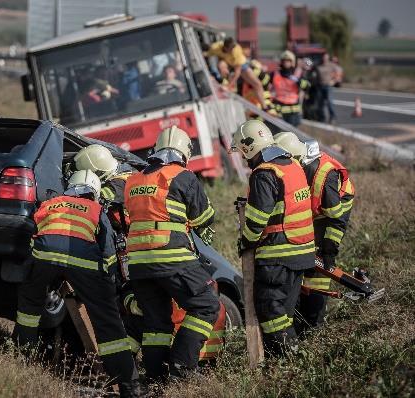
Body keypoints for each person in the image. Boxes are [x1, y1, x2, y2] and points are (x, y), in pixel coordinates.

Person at [13, 170, 139, 397]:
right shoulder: (96, 209)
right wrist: (108, 286)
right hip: (84, 265)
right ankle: (129, 387)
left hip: (44, 259)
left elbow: (33, 232)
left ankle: (23, 357)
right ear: (94, 192)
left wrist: (33, 268)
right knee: (108, 323)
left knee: (29, 307)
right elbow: (108, 251)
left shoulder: (51, 203)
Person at [123, 126, 219, 381]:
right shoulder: (182, 176)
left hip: (138, 263)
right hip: (171, 255)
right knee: (206, 305)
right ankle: (182, 367)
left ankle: (156, 378)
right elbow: (204, 217)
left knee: (156, 323)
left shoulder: (134, 179)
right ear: (184, 152)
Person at [230, 120, 315, 356]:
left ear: (248, 148)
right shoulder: (292, 166)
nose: (244, 160)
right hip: (302, 253)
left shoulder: (264, 174)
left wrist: (245, 242)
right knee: (284, 310)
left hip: (279, 254)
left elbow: (257, 219)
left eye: (242, 152)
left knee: (269, 308)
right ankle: (280, 362)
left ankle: (293, 354)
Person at [273, 132, 354, 333]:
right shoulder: (298, 169)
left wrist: (329, 249)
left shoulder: (324, 178)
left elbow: (336, 219)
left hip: (332, 213)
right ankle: (303, 311)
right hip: (314, 213)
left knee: (318, 269)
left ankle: (313, 325)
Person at [204, 37, 268, 109]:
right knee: (222, 65)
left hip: (240, 65)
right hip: (227, 62)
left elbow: (237, 73)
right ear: (225, 47)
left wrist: (229, 87)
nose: (232, 50)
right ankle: (223, 82)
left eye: (233, 49)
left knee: (257, 84)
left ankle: (264, 106)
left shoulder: (236, 50)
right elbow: (205, 55)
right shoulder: (215, 47)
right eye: (230, 49)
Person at [270, 51, 310, 127]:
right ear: (281, 61)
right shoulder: (275, 74)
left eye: (288, 61)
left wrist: (299, 81)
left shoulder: (297, 74)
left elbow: (307, 86)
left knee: (293, 135)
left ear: (292, 62)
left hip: (293, 111)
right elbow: (267, 87)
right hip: (278, 109)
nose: (286, 63)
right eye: (284, 60)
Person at [316, 53, 337, 123]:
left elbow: (338, 73)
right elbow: (315, 75)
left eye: (326, 57)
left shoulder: (332, 65)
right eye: (323, 57)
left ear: (328, 58)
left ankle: (332, 117)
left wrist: (334, 81)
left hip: (328, 86)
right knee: (320, 103)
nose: (324, 59)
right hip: (320, 86)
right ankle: (322, 118)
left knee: (329, 102)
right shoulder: (318, 66)